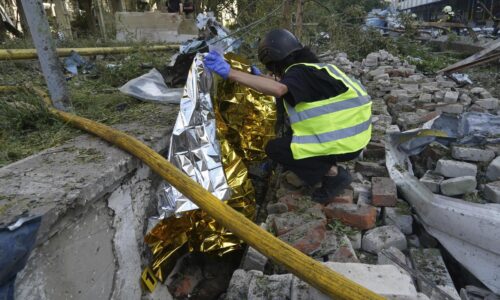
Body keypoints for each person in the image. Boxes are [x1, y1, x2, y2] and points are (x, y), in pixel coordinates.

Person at [203, 29, 372, 204]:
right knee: (293, 137)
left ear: (274, 61)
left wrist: (231, 73)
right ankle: (324, 162)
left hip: (345, 143)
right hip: (354, 139)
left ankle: (334, 174)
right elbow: (285, 85)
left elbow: (279, 89)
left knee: (276, 149)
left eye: (270, 68)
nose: (273, 73)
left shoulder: (298, 71)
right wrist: (257, 77)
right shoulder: (315, 69)